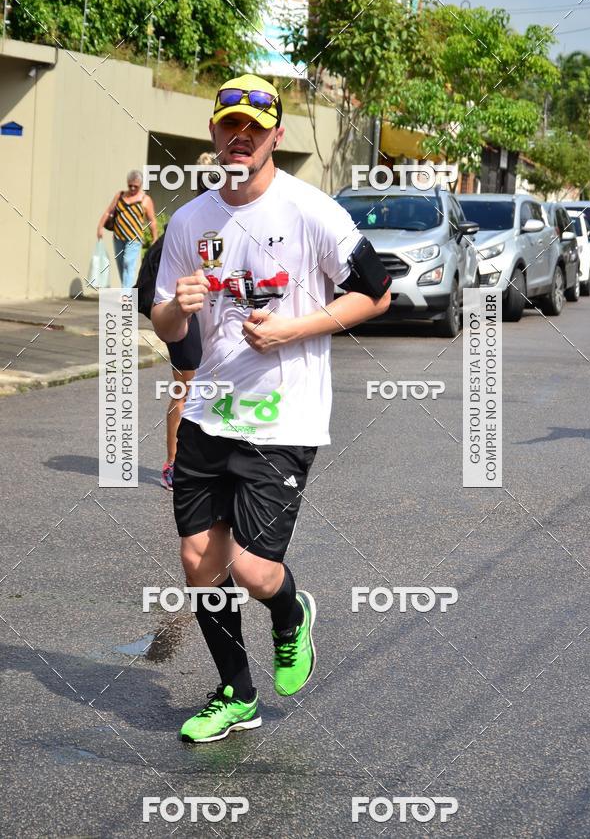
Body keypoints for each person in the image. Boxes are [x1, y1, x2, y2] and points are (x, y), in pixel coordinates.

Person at [151, 73, 391, 743]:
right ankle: (236, 693)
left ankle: (291, 616)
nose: (240, 138)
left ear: (276, 139)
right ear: (214, 133)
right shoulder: (190, 220)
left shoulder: (312, 212)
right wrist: (178, 309)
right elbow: (170, 327)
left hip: (283, 419)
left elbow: (375, 295)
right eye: (230, 126)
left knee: (254, 569)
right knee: (199, 563)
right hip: (207, 414)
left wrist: (292, 329)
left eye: (254, 130)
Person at [136, 153, 217, 490]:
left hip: (204, 314)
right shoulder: (194, 220)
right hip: (181, 312)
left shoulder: (210, 218)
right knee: (186, 388)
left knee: (196, 388)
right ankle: (173, 464)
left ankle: (196, 463)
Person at [97, 170, 158, 288]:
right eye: (130, 185)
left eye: (136, 186)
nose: (133, 188)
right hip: (118, 237)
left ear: (140, 185)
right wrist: (100, 227)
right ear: (127, 183)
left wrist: (155, 238)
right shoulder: (120, 196)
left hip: (134, 239)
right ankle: (127, 290)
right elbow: (108, 212)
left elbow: (152, 221)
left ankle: (127, 296)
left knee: (128, 263)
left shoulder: (145, 200)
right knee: (121, 265)